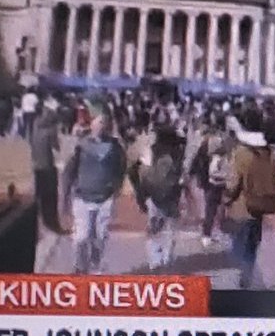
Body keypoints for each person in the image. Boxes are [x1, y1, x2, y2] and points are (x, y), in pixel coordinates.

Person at [61, 104, 126, 274]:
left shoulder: (114, 147)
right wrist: (64, 200)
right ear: (91, 124)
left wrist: (116, 186)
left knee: (100, 236)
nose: (100, 126)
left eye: (104, 122)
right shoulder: (80, 146)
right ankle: (80, 268)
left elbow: (121, 167)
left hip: (105, 198)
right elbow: (68, 174)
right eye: (98, 122)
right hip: (82, 197)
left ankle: (95, 265)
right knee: (81, 237)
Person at [224, 112, 275, 290]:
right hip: (260, 205)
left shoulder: (241, 152)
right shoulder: (269, 152)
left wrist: (226, 198)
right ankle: (246, 279)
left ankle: (242, 282)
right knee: (252, 246)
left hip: (242, 207)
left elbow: (233, 184)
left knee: (238, 247)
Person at [138, 125, 184, 269]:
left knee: (154, 229)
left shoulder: (152, 152)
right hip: (172, 197)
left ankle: (155, 260)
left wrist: (142, 197)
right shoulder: (178, 154)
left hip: (154, 195)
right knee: (170, 230)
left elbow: (143, 175)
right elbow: (181, 177)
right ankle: (166, 259)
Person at [31, 99, 64, 234]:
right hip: (48, 166)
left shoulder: (35, 125)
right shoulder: (50, 130)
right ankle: (52, 223)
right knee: (51, 197)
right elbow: (57, 147)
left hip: (36, 165)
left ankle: (41, 223)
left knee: (40, 196)